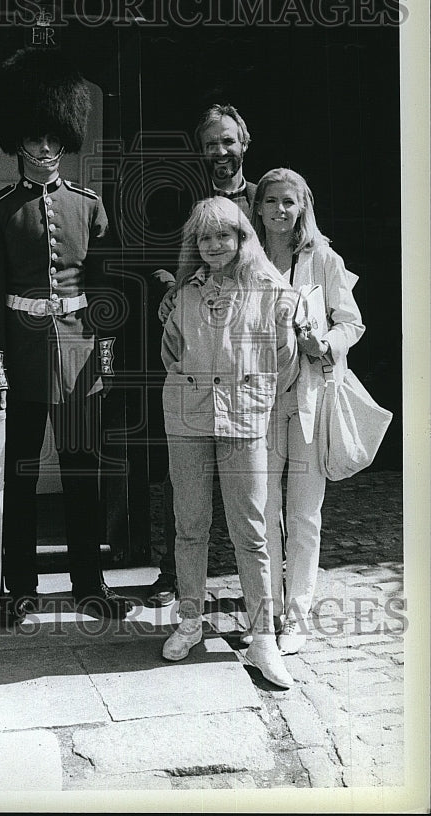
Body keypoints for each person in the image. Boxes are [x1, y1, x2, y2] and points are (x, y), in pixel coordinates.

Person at [0, 46, 130, 623]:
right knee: (16, 477)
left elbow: (108, 295)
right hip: (20, 356)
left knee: (83, 473)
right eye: (33, 139)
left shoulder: (88, 207)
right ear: (17, 142)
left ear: (64, 140)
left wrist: (105, 358)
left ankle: (89, 582)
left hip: (82, 358)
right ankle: (19, 587)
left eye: (52, 139)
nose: (43, 149)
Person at [160, 196, 298, 688]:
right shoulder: (186, 294)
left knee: (253, 531)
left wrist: (253, 386)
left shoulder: (269, 290)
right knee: (190, 525)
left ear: (242, 239)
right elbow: (172, 355)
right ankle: (190, 620)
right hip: (188, 418)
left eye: (224, 235)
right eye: (204, 237)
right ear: (194, 245)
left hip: (245, 419)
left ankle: (263, 637)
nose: (214, 245)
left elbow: (284, 363)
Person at [148, 103, 258, 607]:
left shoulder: (264, 199)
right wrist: (173, 285)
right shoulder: (185, 202)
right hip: (196, 350)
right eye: (211, 143)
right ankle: (177, 579)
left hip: (247, 359)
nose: (220, 151)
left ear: (244, 144)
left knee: (256, 497)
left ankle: (262, 595)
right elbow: (156, 260)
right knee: (187, 485)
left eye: (228, 142)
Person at [252, 168, 365, 655]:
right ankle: (265, 611)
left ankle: (295, 615)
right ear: (257, 207)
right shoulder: (245, 257)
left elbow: (352, 322)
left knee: (302, 513)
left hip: (309, 401)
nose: (280, 210)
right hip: (257, 401)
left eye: (289, 203)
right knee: (260, 511)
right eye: (271, 201)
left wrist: (327, 343)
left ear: (303, 208)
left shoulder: (322, 258)